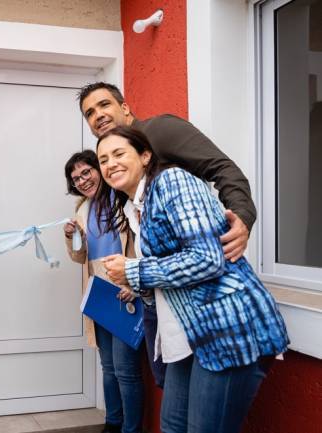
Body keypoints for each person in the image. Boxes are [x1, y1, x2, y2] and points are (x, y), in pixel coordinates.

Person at [97, 126, 289, 433]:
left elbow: (208, 259)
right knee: (172, 425)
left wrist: (134, 270)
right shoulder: (137, 209)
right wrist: (136, 284)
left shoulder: (174, 182)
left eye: (119, 153)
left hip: (228, 331)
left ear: (145, 156)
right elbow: (169, 273)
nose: (110, 164)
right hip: (187, 336)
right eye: (103, 159)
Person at [78, 82, 255, 263]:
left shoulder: (160, 130)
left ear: (124, 108)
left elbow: (221, 167)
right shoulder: (118, 167)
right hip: (167, 277)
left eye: (104, 104)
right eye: (90, 113)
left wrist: (241, 216)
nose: (98, 115)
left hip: (208, 265)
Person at [63, 150, 143, 433]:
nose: (83, 181)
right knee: (108, 369)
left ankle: (131, 429)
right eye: (76, 179)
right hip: (99, 297)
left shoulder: (124, 200)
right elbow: (79, 258)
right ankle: (113, 422)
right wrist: (73, 238)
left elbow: (145, 246)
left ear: (100, 169)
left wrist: (135, 283)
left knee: (125, 371)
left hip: (125, 294)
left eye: (87, 172)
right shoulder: (82, 210)